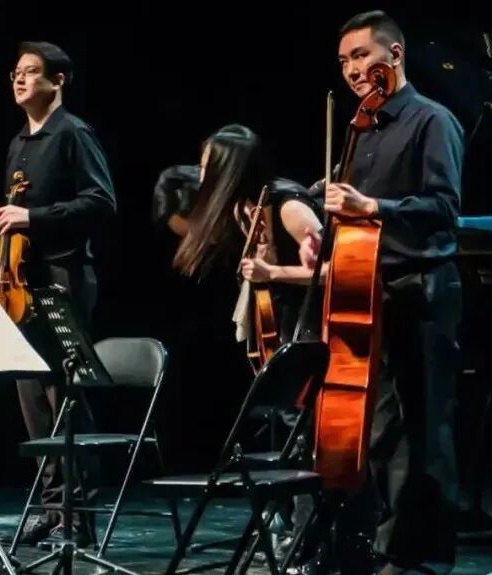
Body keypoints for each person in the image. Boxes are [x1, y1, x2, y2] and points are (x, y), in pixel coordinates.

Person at [297, 10, 464, 575]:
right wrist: (318, 232)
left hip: (422, 291)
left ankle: (421, 557)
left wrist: (373, 207)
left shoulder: (431, 120)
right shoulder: (361, 129)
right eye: (343, 60)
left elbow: (444, 208)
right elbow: (336, 205)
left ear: (394, 54)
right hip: (368, 293)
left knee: (423, 430)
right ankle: (384, 547)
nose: (351, 69)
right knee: (384, 431)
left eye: (361, 55)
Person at [0, 41, 116, 547]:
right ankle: (51, 507)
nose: (19, 79)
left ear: (58, 80)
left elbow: (101, 201)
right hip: (22, 282)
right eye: (15, 73)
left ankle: (78, 515)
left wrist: (33, 217)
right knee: (31, 396)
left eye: (30, 72)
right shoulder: (19, 143)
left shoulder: (73, 133)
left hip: (63, 278)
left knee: (64, 394)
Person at [170, 125, 323, 346]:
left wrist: (271, 272)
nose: (200, 176)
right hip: (288, 322)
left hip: (319, 325)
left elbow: (335, 272)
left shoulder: (289, 209)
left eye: (205, 168)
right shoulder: (241, 207)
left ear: (227, 172)